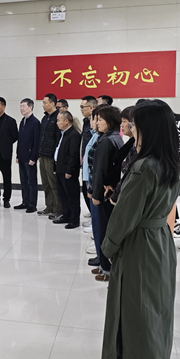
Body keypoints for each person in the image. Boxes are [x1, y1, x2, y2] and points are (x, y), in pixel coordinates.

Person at [101, 100, 180, 359]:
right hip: (161, 242)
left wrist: (109, 247)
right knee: (158, 317)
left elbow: (125, 216)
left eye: (135, 126)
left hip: (139, 246)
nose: (132, 130)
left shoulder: (144, 167)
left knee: (140, 320)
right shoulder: (172, 164)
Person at [89, 104, 123, 281]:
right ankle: (104, 266)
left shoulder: (107, 140)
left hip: (105, 192)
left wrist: (96, 194)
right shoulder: (115, 137)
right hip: (111, 190)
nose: (97, 123)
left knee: (104, 230)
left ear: (109, 121)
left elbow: (100, 170)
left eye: (100, 119)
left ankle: (106, 268)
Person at [53, 111, 82, 229]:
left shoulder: (74, 135)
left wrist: (69, 171)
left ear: (66, 121)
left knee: (72, 196)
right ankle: (66, 216)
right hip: (60, 170)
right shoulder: (63, 133)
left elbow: (74, 155)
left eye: (59, 120)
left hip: (68, 172)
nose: (57, 123)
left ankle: (74, 220)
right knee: (62, 195)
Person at [103, 106, 137, 205]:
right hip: (117, 189)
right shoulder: (130, 143)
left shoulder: (136, 146)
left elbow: (127, 172)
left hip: (126, 194)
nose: (121, 125)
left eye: (124, 121)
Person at [83, 106, 103, 263]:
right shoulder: (95, 135)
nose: (93, 122)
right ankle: (99, 250)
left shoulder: (104, 139)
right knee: (96, 220)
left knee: (99, 220)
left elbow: (99, 167)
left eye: (96, 119)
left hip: (96, 184)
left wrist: (93, 188)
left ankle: (101, 255)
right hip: (91, 181)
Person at [37, 93, 62, 218]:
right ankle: (49, 206)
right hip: (43, 155)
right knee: (45, 183)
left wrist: (56, 157)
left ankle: (58, 209)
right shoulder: (45, 118)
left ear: (53, 104)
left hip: (51, 156)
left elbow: (58, 139)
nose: (43, 105)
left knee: (54, 184)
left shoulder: (58, 118)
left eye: (45, 103)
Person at [15, 98, 41, 213]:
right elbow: (20, 140)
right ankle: (25, 201)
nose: (21, 108)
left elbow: (36, 142)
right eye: (20, 106)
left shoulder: (35, 122)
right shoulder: (22, 121)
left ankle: (32, 204)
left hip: (30, 157)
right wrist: (17, 155)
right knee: (24, 181)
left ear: (30, 107)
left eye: (23, 106)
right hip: (21, 156)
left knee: (31, 182)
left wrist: (33, 157)